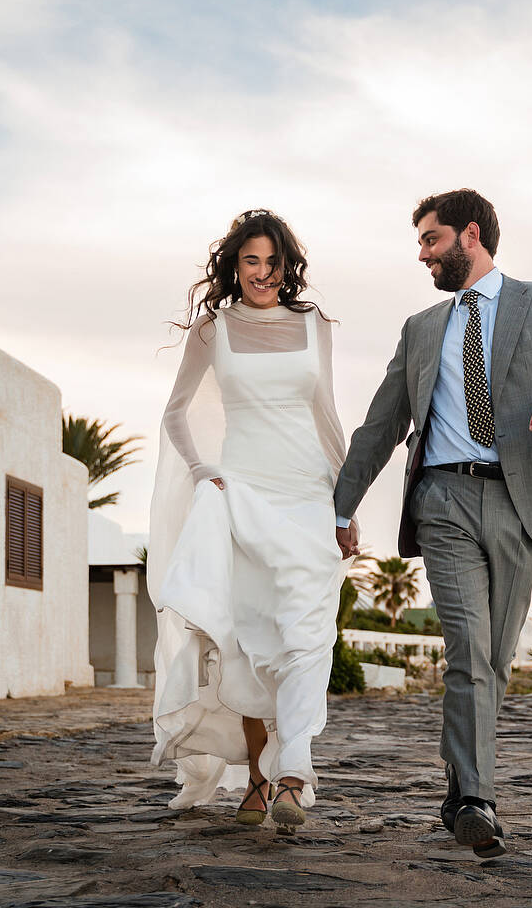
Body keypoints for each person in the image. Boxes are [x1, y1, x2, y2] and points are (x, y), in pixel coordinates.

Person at [333, 189, 532, 858]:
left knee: (493, 656)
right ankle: (478, 801)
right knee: (466, 647)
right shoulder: (421, 328)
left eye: (431, 240)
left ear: (470, 235)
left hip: (526, 502)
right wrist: (343, 506)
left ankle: (460, 778)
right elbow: (382, 424)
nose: (422, 254)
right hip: (443, 501)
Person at [146, 208, 356, 835]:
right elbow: (175, 413)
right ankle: (264, 780)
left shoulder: (314, 324)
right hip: (242, 492)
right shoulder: (213, 331)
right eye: (251, 261)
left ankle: (293, 772)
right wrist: (198, 470)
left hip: (307, 493)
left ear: (288, 265)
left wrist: (346, 506)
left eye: (272, 261)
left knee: (307, 634)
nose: (263, 273)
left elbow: (327, 415)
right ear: (234, 266)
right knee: (246, 642)